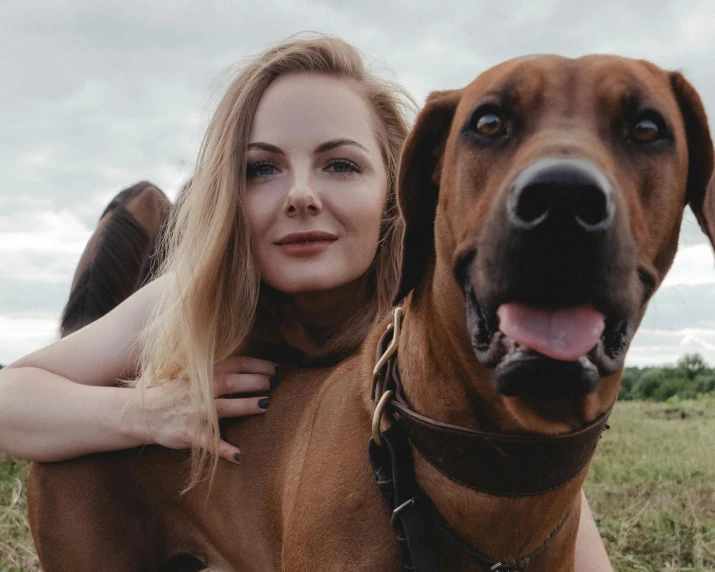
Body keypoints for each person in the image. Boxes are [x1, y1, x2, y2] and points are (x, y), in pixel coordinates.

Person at [0, 35, 612, 569]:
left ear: (395, 183)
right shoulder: (201, 294)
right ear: (229, 196)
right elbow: (11, 397)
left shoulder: (440, 301)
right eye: (262, 170)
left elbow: (526, 460)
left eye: (340, 165)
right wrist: (150, 412)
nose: (300, 195)